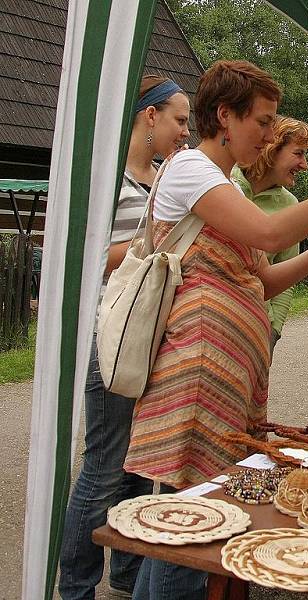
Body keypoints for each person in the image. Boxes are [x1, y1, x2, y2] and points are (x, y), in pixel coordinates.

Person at [124, 60, 308, 599]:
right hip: (198, 370)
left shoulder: (220, 180)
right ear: (224, 116)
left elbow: (264, 282)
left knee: (196, 524)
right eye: (264, 121)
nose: (272, 135)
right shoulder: (189, 169)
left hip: (224, 373)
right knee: (189, 528)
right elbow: (272, 233)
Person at [58, 76, 190, 600]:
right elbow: (78, 255)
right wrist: (150, 240)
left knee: (139, 465)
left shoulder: (161, 178)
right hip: (111, 337)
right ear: (149, 116)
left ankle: (127, 577)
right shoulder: (104, 181)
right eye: (179, 119)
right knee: (106, 466)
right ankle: (75, 589)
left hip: (153, 338)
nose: (185, 131)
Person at [231, 116, 308, 354]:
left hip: (256, 326)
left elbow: (286, 273)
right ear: (272, 149)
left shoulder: (291, 206)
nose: (304, 165)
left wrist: (274, 328)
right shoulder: (224, 182)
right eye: (298, 154)